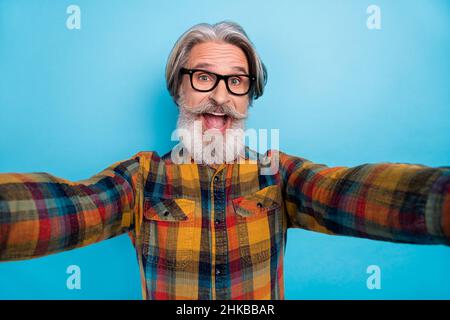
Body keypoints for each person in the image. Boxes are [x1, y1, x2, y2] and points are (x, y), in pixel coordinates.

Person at [0, 21, 449, 300]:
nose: (219, 97)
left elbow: (352, 193)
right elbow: (67, 209)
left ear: (250, 99)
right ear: (178, 88)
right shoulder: (141, 179)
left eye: (237, 82)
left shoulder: (280, 175)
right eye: (203, 78)